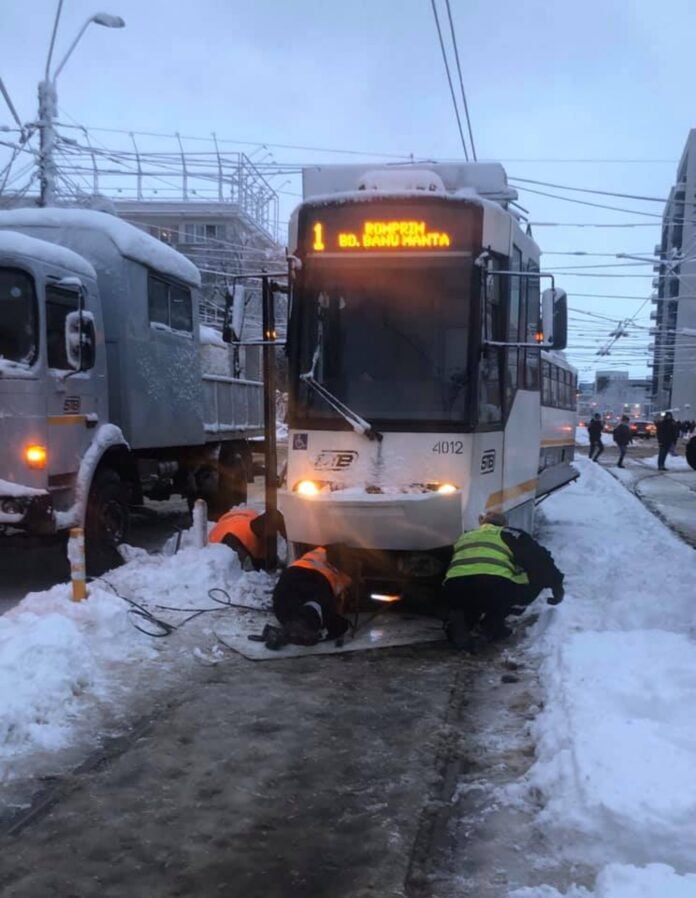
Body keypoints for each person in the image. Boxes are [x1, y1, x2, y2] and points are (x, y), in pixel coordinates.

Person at [442, 511, 565, 650]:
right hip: (493, 585)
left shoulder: (465, 536)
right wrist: (556, 585)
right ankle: (490, 626)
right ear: (504, 524)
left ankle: (461, 622)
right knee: (518, 585)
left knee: (469, 600)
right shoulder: (511, 534)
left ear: (482, 524)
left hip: (454, 586)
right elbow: (541, 561)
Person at [265, 546, 352, 649]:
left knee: (298, 612)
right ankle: (298, 627)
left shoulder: (319, 551)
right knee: (316, 613)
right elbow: (336, 612)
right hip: (315, 584)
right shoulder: (343, 577)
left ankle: (294, 627)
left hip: (286, 585)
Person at [208, 508, 286, 571]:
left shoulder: (258, 524)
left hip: (237, 518)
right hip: (220, 536)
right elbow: (248, 571)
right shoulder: (235, 538)